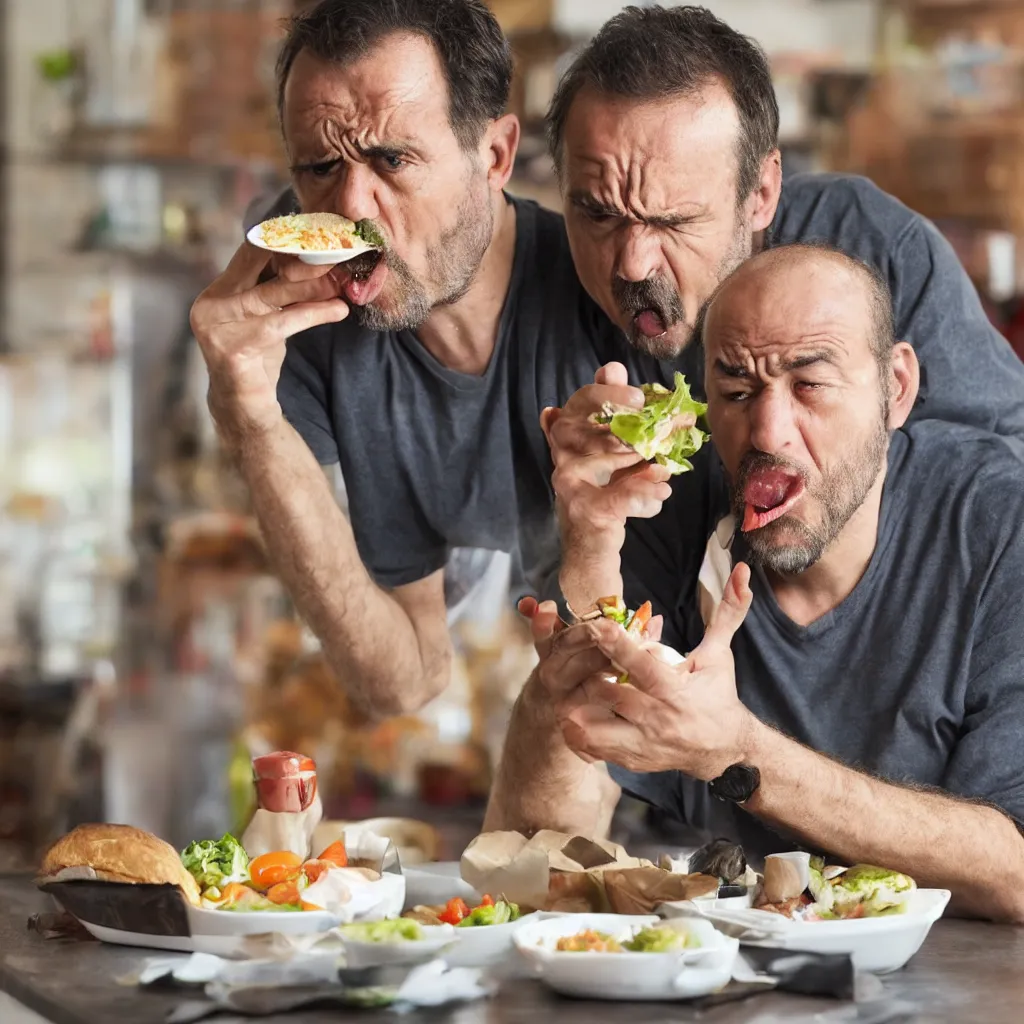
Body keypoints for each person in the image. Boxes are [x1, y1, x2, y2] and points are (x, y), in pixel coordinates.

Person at [485, 243, 1024, 923]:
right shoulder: (670, 513)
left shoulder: (1000, 525)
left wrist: (739, 752)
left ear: (896, 389)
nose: (767, 431)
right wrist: (591, 560)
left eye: (810, 385)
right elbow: (534, 861)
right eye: (737, 391)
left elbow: (1017, 871)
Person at [189, 0, 664, 716]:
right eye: (319, 167)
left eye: (393, 159)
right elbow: (403, 679)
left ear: (495, 156)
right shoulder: (304, 328)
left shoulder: (612, 291)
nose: (352, 207)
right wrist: (252, 424)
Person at [543, 5, 1024, 618]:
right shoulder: (551, 294)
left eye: (675, 220)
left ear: (762, 193)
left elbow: (1006, 465)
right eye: (599, 214)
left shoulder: (871, 245)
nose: (632, 264)